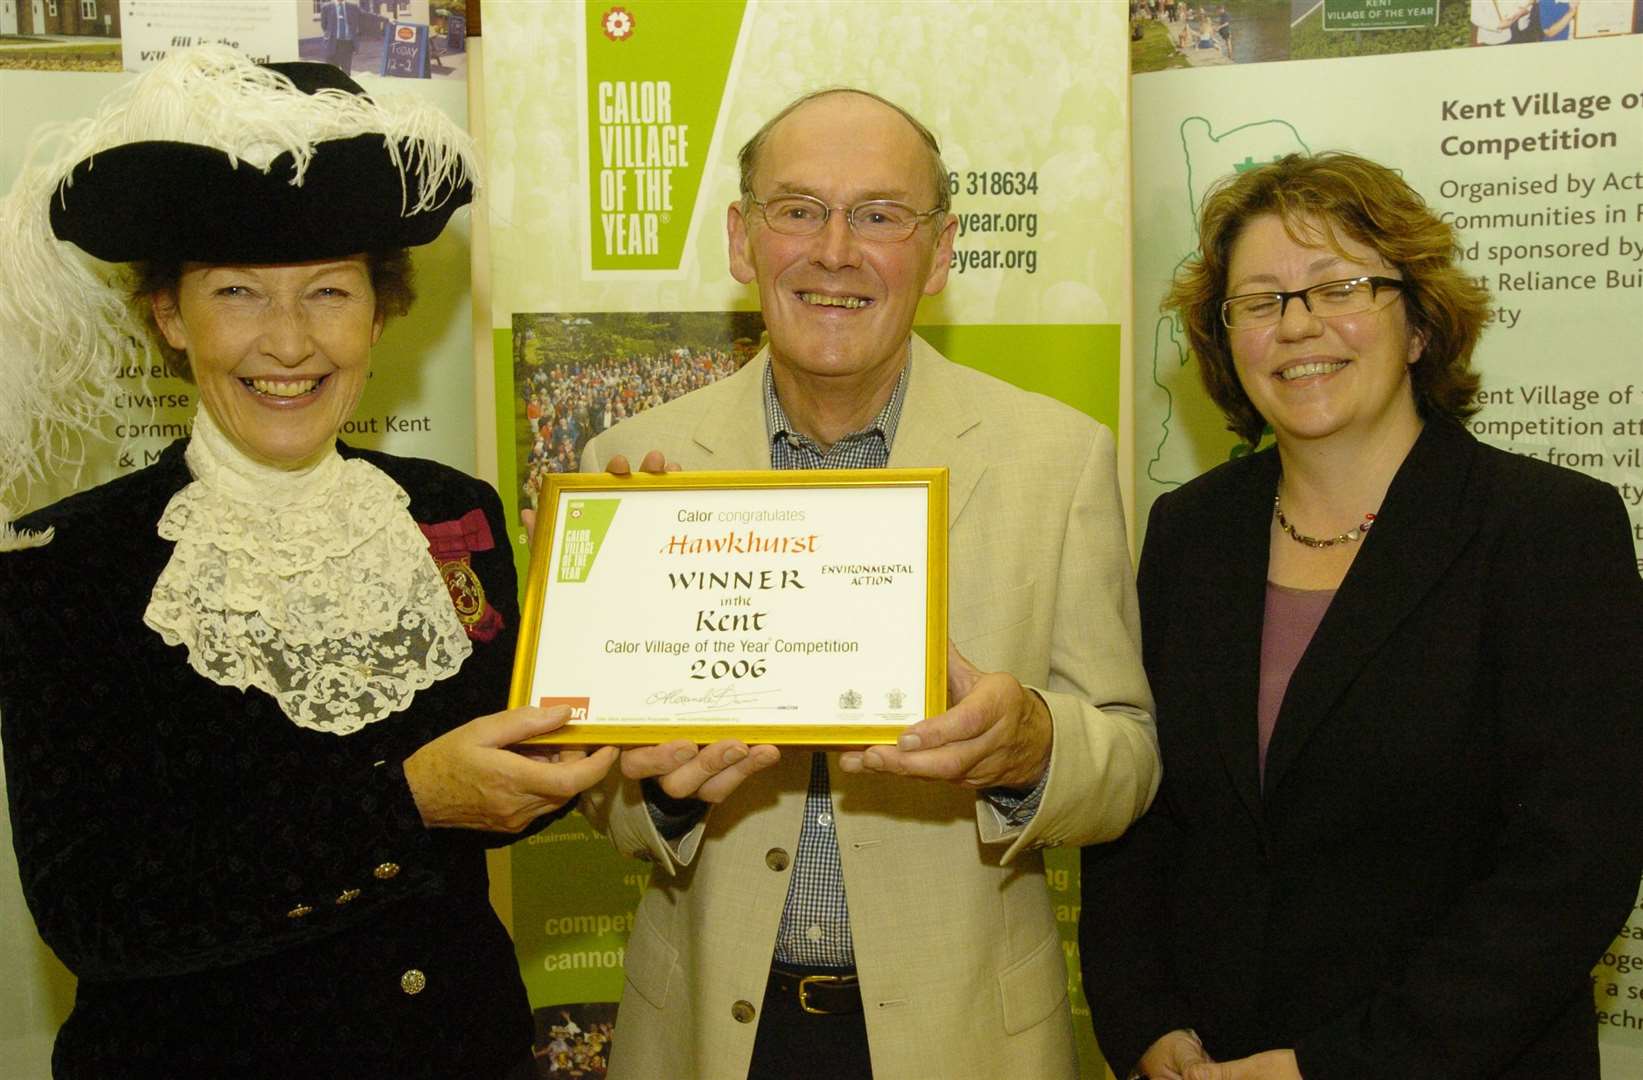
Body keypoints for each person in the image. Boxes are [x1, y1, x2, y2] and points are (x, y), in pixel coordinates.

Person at [0, 49, 616, 1077]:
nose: (288, 342)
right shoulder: (65, 562)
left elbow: (501, 789)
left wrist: (656, 748)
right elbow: (98, 912)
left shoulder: (446, 514)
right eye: (237, 292)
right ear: (168, 315)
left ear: (380, 314)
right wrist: (404, 804)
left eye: (328, 292)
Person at [576, 89, 1159, 1079]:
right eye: (797, 209)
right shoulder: (637, 464)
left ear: (937, 254)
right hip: (705, 1039)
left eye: (880, 216)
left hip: (968, 1040)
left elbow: (1128, 761)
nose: (834, 250)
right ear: (739, 238)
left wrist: (1032, 748)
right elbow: (604, 798)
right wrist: (658, 791)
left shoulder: (1056, 457)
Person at [1078, 151, 1643, 1080]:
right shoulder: (1189, 533)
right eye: (1258, 301)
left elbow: (1568, 869)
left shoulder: (1546, 531)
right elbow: (1140, 806)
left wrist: (1331, 1067)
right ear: (1226, 341)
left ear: (1419, 324)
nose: (1297, 326)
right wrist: (1145, 1024)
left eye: (1338, 286)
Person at [320, 0, 361, 73]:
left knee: (346, 72)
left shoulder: (353, 7)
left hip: (347, 45)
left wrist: (385, 19)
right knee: (332, 73)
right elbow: (324, 25)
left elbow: (366, 15)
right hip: (332, 44)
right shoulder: (326, 7)